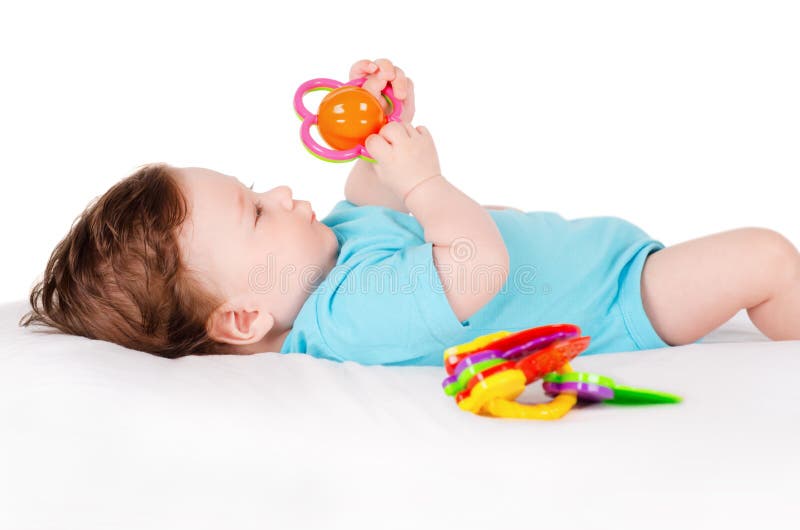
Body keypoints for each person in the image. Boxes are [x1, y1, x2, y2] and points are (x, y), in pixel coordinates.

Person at [20, 58, 800, 364]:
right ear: (242, 319)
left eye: (259, 189)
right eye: (257, 213)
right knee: (765, 256)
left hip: (615, 258)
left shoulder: (326, 249)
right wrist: (426, 184)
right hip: (623, 302)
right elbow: (476, 269)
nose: (284, 196)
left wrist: (385, 133)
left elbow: (369, 193)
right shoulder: (350, 315)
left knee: (762, 254)